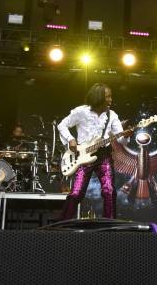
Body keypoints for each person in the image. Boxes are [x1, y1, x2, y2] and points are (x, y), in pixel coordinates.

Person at [57, 83, 128, 220]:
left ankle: (109, 223)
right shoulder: (81, 112)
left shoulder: (112, 115)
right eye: (108, 96)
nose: (110, 99)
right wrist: (70, 139)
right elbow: (62, 125)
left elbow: (120, 139)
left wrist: (125, 136)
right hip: (83, 155)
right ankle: (62, 224)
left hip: (104, 155)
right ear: (99, 97)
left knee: (109, 191)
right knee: (77, 193)